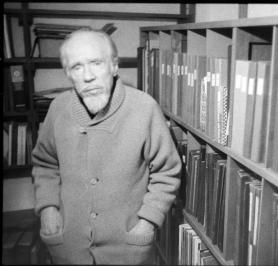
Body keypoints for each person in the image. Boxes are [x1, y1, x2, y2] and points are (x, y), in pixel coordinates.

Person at [31, 29, 182, 265]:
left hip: (127, 247)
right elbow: (45, 163)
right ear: (68, 74)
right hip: (70, 246)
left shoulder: (144, 108)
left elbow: (167, 172)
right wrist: (48, 208)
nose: (88, 76)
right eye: (77, 67)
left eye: (96, 63)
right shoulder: (57, 109)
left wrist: (147, 221)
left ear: (114, 66)